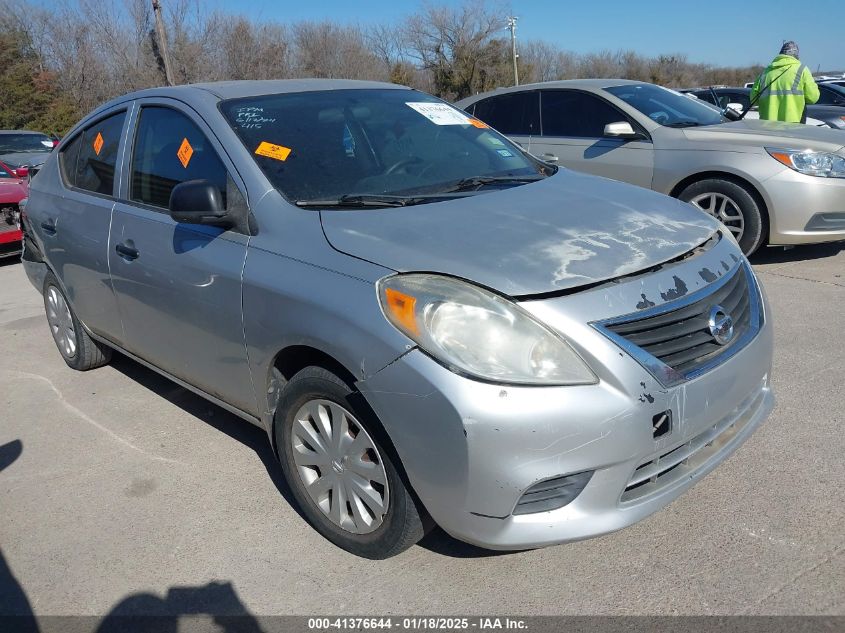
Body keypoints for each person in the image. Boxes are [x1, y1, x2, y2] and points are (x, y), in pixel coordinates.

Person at [750, 41, 819, 123]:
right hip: (793, 125)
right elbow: (813, 98)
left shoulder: (765, 73)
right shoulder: (802, 70)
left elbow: (753, 100)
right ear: (796, 55)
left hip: (767, 125)